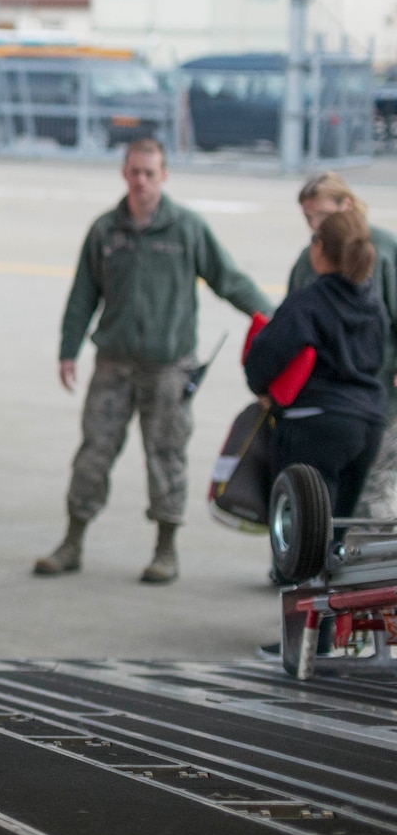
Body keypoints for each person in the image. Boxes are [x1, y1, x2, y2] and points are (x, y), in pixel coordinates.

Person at [39, 138, 270, 583]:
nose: (141, 180)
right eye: (134, 172)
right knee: (93, 455)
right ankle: (72, 541)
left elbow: (230, 280)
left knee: (166, 457)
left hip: (168, 368)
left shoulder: (186, 228)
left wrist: (277, 320)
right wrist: (68, 350)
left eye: (150, 172)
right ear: (124, 173)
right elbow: (83, 294)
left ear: (164, 175)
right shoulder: (105, 230)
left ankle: (166, 550)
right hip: (113, 366)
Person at [248, 206, 389, 517]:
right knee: (337, 531)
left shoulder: (307, 303)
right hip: (369, 424)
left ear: (321, 249)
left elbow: (265, 356)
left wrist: (260, 387)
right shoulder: (373, 305)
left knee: (301, 536)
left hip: (315, 424)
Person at [287, 172, 397, 519]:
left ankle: (372, 570)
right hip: (324, 407)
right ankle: (313, 563)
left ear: (346, 205)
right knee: (320, 496)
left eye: (321, 215)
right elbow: (288, 326)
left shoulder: (383, 249)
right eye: (308, 217)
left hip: (380, 399)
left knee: (374, 491)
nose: (313, 225)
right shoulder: (309, 259)